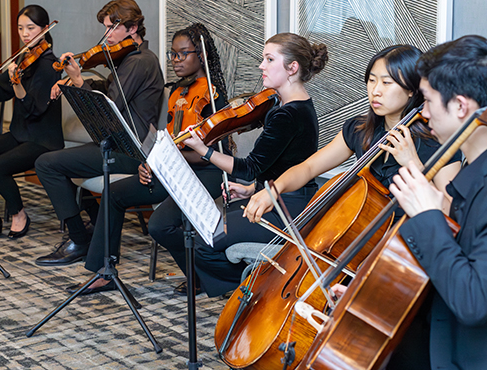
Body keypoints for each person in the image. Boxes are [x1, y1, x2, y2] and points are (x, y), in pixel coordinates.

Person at [385, 35, 487, 369]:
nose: (423, 112)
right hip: (443, 340)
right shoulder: (472, 172)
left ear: (460, 106)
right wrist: (380, 296)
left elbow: (474, 302)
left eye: (429, 100)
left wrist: (429, 215)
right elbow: (450, 267)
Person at [69, 23, 231, 295]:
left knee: (160, 225)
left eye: (183, 54)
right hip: (174, 170)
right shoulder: (178, 93)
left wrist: (165, 162)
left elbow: (215, 154)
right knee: (114, 192)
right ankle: (103, 270)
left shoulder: (213, 96)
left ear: (201, 56)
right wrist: (151, 162)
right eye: (172, 54)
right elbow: (169, 141)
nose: (176, 61)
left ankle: (203, 273)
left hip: (206, 173)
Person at [186, 33, 328, 297]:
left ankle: (256, 292)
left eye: (269, 59)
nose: (261, 65)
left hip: (287, 209)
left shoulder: (287, 114)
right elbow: (281, 165)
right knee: (206, 230)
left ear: (292, 68)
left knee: (203, 243)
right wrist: (252, 190)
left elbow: (249, 167)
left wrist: (204, 151)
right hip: (282, 197)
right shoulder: (293, 105)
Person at [250, 44, 460, 222]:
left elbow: (451, 212)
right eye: (371, 80)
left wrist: (412, 164)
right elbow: (308, 167)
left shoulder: (438, 141)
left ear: (412, 89)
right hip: (359, 240)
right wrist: (273, 190)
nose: (375, 90)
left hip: (406, 249)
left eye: (386, 83)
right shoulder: (360, 129)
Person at [34, 0, 164, 266]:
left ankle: (80, 239)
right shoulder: (129, 59)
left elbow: (110, 106)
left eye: (111, 28)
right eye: (105, 28)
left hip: (131, 151)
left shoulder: (141, 62)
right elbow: (107, 87)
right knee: (52, 162)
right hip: (116, 144)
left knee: (47, 164)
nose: (106, 36)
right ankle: (92, 227)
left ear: (133, 28)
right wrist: (74, 81)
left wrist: (79, 80)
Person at [0, 5, 63, 239]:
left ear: (45, 29)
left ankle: (19, 214)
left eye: (31, 28)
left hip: (42, 139)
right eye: (20, 28)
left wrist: (17, 84)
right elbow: (0, 88)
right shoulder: (24, 57)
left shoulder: (50, 66)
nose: (25, 34)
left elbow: (34, 109)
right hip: (20, 134)